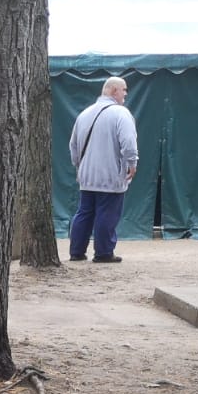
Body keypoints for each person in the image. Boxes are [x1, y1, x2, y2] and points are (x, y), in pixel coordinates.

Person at [68, 76, 139, 263]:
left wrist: (79, 167)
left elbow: (73, 146)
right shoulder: (121, 113)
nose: (126, 93)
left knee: (84, 212)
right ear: (114, 90)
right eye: (124, 89)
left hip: (87, 175)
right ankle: (104, 252)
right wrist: (132, 163)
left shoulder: (84, 114)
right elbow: (128, 142)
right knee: (107, 213)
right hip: (110, 175)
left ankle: (76, 252)